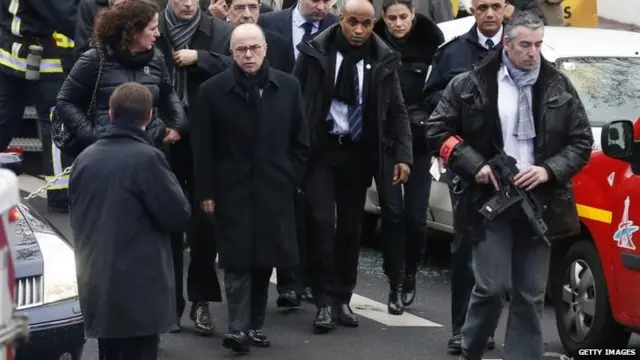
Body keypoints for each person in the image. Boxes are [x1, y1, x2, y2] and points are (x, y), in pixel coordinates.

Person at [425, 11, 593, 360]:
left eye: (538, 44)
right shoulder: (470, 83)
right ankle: (471, 347)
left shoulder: (558, 85)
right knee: (491, 287)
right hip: (490, 201)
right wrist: (476, 166)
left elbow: (581, 142)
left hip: (540, 202)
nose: (533, 53)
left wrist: (548, 170)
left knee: (530, 294)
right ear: (507, 44)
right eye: (525, 45)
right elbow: (437, 131)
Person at [293, 0, 412, 333]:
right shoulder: (316, 52)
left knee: (350, 228)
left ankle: (342, 297)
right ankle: (321, 300)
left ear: (374, 25)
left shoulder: (383, 58)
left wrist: (403, 155)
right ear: (341, 19)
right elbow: (293, 96)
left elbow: (398, 110)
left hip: (359, 153)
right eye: (353, 22)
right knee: (319, 221)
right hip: (321, 150)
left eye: (366, 24)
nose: (359, 31)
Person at [193, 23, 309, 353]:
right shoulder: (213, 91)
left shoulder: (287, 87)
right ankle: (238, 328)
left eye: (254, 48)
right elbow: (204, 149)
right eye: (241, 50)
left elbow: (300, 142)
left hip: (274, 187)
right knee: (237, 260)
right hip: (231, 189)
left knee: (264, 260)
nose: (248, 55)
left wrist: (290, 177)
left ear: (265, 49)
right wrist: (206, 193)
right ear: (231, 53)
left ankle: (254, 325)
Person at [69, 82, 191, 360]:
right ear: (149, 118)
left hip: (97, 279)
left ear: (110, 114)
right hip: (141, 286)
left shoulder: (85, 160)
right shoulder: (148, 159)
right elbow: (177, 215)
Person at [422, 0, 504, 351]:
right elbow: (431, 101)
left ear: (506, 9)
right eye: (482, 6)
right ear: (472, 9)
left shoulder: (518, 49)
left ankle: (488, 329)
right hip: (467, 165)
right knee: (467, 250)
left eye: (495, 6)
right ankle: (463, 329)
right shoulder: (452, 52)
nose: (488, 13)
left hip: (511, 167)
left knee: (504, 252)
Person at [155, 0, 232, 335]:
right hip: (165, 139)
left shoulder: (219, 30)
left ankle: (200, 301)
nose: (188, 3)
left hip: (206, 140)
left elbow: (239, 66)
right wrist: (160, 127)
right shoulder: (153, 27)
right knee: (168, 222)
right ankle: (169, 305)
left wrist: (201, 58)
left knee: (205, 222)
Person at [259, 0, 338, 309]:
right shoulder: (271, 23)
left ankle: (303, 281)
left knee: (312, 211)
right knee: (282, 207)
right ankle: (283, 282)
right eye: (314, 0)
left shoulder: (336, 26)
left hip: (317, 133)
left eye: (326, 0)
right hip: (273, 127)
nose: (321, 6)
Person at [372, 0, 443, 315]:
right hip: (385, 139)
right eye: (392, 18)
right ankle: (395, 282)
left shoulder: (432, 42)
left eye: (403, 17)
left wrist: (425, 120)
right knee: (392, 213)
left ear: (413, 16)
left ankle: (411, 271)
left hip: (418, 139)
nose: (398, 24)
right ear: (384, 19)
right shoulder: (374, 42)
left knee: (416, 217)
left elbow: (440, 91)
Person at [55, 0, 187, 155]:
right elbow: (65, 100)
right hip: (104, 151)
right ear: (134, 32)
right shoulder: (95, 58)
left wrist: (178, 125)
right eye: (152, 29)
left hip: (147, 147)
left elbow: (168, 92)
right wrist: (92, 136)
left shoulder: (156, 58)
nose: (158, 34)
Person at [0, 0, 76, 210]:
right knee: (56, 120)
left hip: (13, 52)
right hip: (45, 59)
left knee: (4, 119)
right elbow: (67, 16)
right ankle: (61, 193)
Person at [226, 0, 294, 72]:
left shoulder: (279, 45)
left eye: (253, 7)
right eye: (239, 8)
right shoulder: (216, 42)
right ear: (227, 10)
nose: (247, 14)